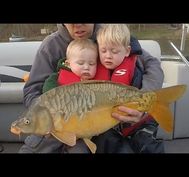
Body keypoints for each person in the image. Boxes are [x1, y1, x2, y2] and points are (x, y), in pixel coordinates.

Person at [20, 24, 164, 153]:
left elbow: (152, 64)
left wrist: (144, 103)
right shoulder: (51, 46)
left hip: (107, 121)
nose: (78, 26)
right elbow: (32, 91)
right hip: (63, 122)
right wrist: (45, 119)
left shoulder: (110, 34)